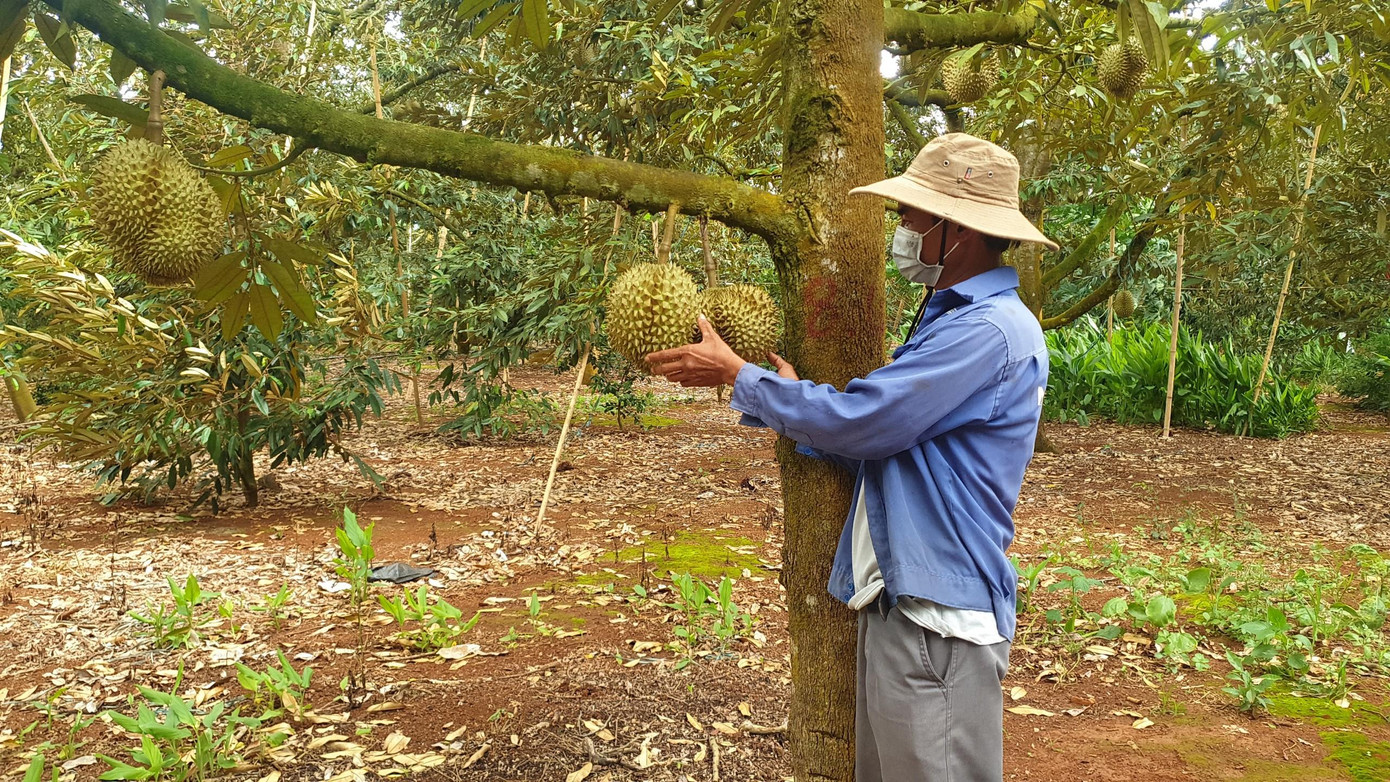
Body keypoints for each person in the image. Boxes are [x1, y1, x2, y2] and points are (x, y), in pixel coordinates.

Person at [646, 133, 1059, 781]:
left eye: (911, 217)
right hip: (907, 606)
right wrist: (773, 395)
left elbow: (870, 422)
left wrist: (739, 376)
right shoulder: (951, 321)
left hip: (938, 627)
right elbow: (889, 443)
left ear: (958, 230)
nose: (902, 229)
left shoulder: (986, 330)